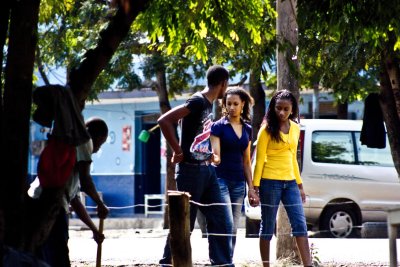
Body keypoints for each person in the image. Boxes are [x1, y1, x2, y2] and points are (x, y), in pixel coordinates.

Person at [157, 65, 234, 266]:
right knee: (184, 223)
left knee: (220, 219)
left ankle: (222, 263)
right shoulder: (198, 101)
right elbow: (165, 121)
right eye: (227, 84)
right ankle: (168, 262)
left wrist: (207, 154)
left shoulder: (208, 104)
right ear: (223, 83)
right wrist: (178, 151)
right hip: (190, 171)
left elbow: (192, 132)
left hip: (207, 170)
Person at [28, 117, 109, 267]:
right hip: (51, 203)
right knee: (57, 256)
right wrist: (100, 203)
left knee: (42, 254)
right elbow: (86, 182)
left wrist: (94, 230)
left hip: (37, 198)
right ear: (99, 138)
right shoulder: (85, 142)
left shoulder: (74, 154)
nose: (97, 149)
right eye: (101, 144)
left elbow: (75, 200)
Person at [252, 90, 312, 267]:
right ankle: (266, 265)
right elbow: (259, 160)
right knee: (268, 227)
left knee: (300, 225)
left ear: (292, 109)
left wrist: (300, 185)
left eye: (286, 109)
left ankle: (308, 265)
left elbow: (293, 157)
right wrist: (255, 188)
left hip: (291, 183)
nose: (282, 112)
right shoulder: (266, 130)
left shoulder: (295, 128)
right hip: (269, 182)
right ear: (273, 108)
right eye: (279, 108)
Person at [209, 87, 259, 257]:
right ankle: (221, 259)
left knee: (234, 225)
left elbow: (246, 161)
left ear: (243, 104)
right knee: (226, 221)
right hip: (220, 179)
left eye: (235, 104)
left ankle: (227, 258)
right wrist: (212, 157)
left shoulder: (247, 129)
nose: (232, 107)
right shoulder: (217, 127)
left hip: (239, 183)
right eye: (228, 103)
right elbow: (216, 155)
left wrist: (251, 188)